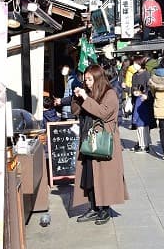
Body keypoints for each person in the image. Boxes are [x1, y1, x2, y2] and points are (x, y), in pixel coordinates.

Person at [71, 64, 128, 225]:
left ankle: (104, 209)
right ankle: (93, 207)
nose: (87, 82)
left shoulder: (110, 94)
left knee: (104, 177)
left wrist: (86, 98)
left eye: (90, 79)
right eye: (85, 79)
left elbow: (103, 113)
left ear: (97, 78)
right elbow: (75, 111)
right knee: (89, 176)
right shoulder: (88, 93)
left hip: (103, 141)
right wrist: (77, 97)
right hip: (88, 141)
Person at [131, 57, 153, 153]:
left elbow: (150, 88)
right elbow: (133, 87)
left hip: (145, 102)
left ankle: (144, 144)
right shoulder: (134, 75)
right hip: (137, 100)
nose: (134, 65)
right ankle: (142, 143)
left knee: (143, 124)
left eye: (136, 63)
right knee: (139, 125)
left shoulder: (147, 74)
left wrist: (146, 95)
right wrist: (134, 92)